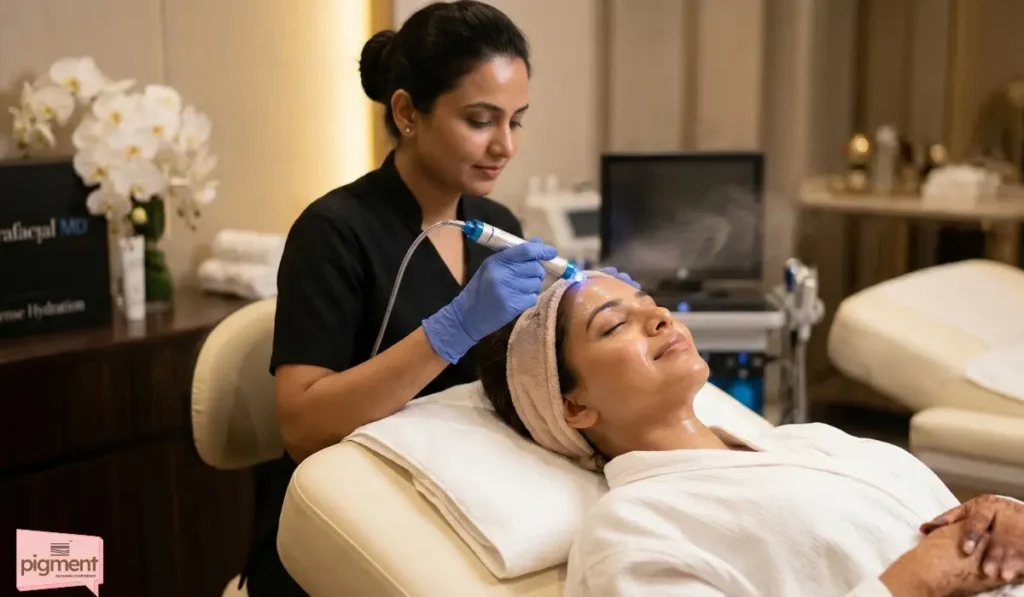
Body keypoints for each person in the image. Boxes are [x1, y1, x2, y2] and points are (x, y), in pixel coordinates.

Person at [240, 3, 634, 594]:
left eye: (517, 121)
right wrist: (449, 329)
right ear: (406, 112)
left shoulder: (495, 222)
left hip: (467, 506)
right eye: (480, 120)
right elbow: (302, 426)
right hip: (351, 523)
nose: (505, 146)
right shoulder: (333, 233)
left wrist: (593, 310)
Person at [475, 272, 1024, 597]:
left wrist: (1001, 517)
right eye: (616, 325)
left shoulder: (809, 442)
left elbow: (955, 533)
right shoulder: (630, 529)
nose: (662, 317)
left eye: (652, 305)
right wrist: (917, 580)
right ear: (574, 405)